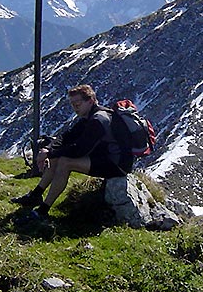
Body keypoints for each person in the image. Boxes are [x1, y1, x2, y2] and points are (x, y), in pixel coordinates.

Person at [11, 84, 132, 221]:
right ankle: (35, 195)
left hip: (117, 164)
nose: (75, 107)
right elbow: (67, 136)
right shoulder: (89, 116)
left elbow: (79, 150)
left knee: (65, 162)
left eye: (78, 103)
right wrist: (48, 150)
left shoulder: (99, 120)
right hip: (105, 157)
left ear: (90, 101)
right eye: (73, 104)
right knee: (58, 157)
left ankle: (43, 210)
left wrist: (50, 154)